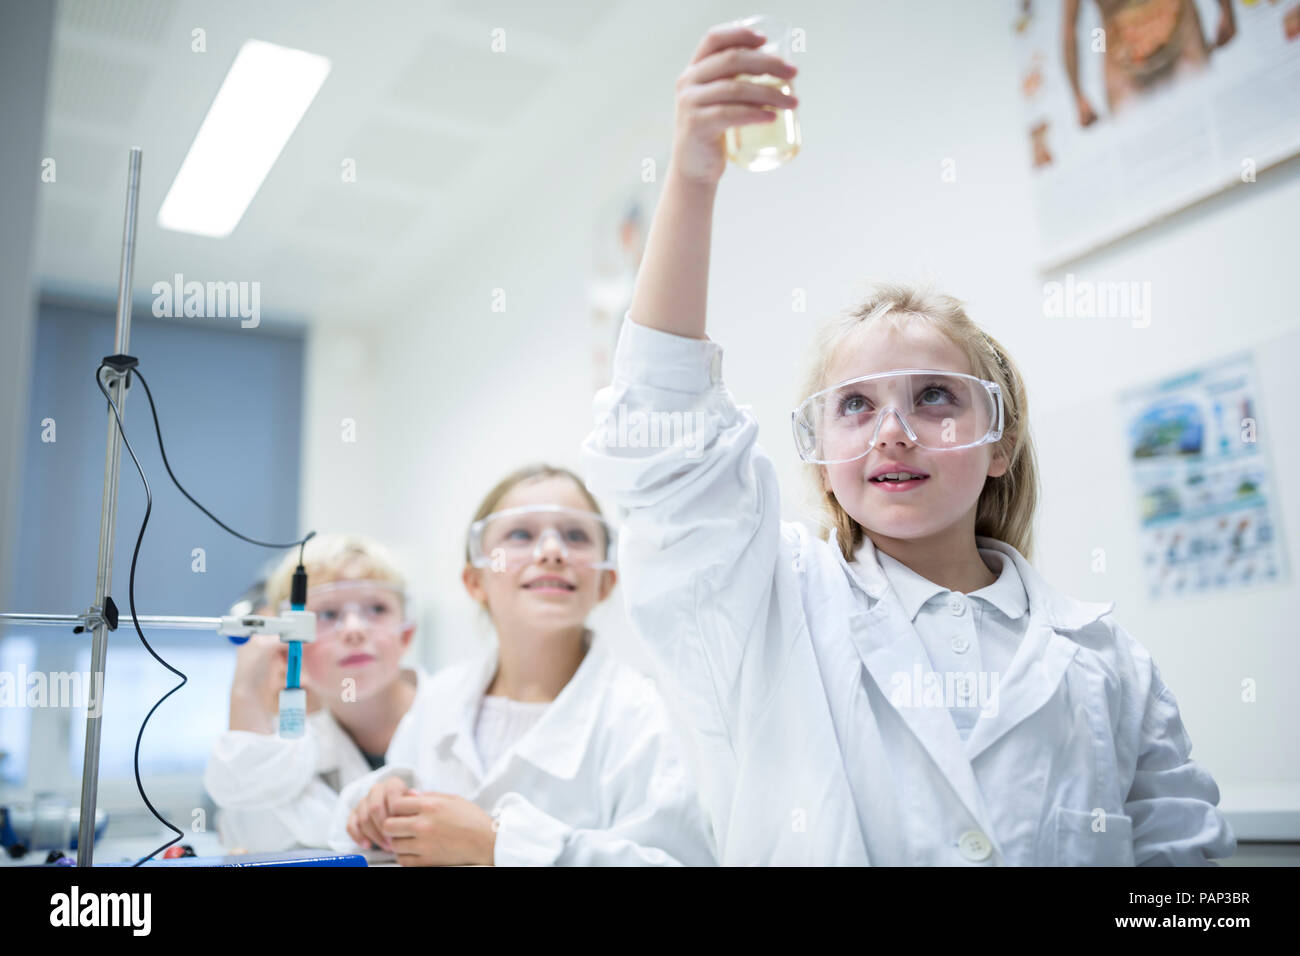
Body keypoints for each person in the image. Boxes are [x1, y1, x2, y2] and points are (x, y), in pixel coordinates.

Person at [579, 21, 1235, 865]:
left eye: (934, 397)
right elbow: (662, 443)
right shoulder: (770, 605)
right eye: (854, 405)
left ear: (999, 441)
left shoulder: (1108, 663)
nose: (894, 430)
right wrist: (693, 179)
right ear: (818, 454)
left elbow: (1183, 871)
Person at [327, 464, 715, 866]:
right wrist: (376, 811)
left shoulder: (638, 714)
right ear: (475, 581)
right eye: (520, 534)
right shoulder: (439, 700)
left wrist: (500, 845)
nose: (551, 551)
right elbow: (378, 836)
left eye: (576, 535)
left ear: (606, 581)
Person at [203, 534, 428, 852]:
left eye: (376, 608)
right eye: (327, 614)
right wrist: (246, 692)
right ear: (291, 643)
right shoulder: (301, 746)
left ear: (406, 634)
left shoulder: (456, 712)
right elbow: (252, 834)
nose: (354, 629)